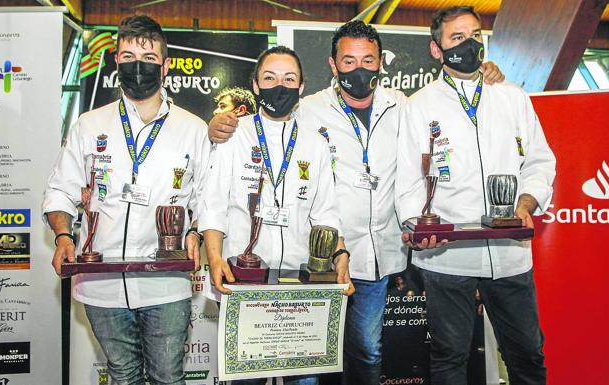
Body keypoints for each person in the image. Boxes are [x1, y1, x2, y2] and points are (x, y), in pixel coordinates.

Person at [208, 21, 504, 385]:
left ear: (381, 62)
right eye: (348, 61)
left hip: (376, 253)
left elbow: (447, 122)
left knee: (367, 349)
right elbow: (267, 125)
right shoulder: (309, 109)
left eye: (368, 59)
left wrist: (482, 73)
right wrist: (218, 126)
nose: (359, 69)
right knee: (302, 353)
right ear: (333, 65)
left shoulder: (404, 106)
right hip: (317, 256)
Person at [42, 15, 210, 385]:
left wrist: (195, 233)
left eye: (149, 58)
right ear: (116, 61)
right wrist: (64, 237)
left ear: (165, 67)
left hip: (166, 282)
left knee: (168, 376)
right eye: (129, 55)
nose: (138, 65)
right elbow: (60, 190)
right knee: (122, 375)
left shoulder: (193, 129)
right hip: (100, 285)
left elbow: (206, 197)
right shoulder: (89, 124)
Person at [396, 6, 556, 385]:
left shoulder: (513, 97)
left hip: (510, 254)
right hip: (447, 257)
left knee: (527, 355)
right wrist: (416, 226)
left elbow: (540, 161)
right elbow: (407, 181)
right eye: (457, 38)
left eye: (474, 35)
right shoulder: (419, 106)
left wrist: (525, 204)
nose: (468, 45)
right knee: (449, 358)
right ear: (436, 50)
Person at [200, 46, 353, 385]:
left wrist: (340, 255)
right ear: (255, 86)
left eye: (288, 79)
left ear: (301, 88)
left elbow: (325, 212)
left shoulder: (314, 144)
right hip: (244, 282)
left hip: (300, 285)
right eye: (269, 78)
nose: (279, 86)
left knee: (304, 381)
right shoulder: (233, 135)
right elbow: (213, 205)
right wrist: (213, 258)